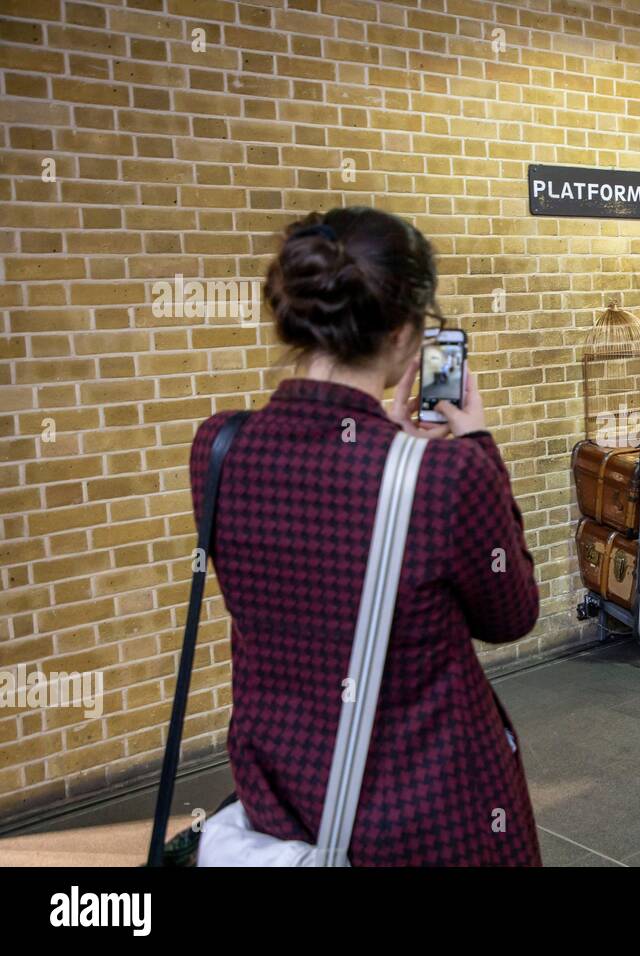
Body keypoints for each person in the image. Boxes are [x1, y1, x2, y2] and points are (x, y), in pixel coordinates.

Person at [189, 207, 542, 864]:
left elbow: (317, 538)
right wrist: (475, 446)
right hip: (434, 815)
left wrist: (389, 443)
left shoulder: (219, 445)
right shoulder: (449, 475)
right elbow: (512, 614)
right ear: (406, 331)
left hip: (287, 800)